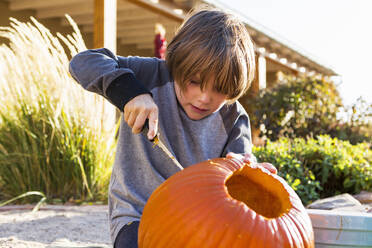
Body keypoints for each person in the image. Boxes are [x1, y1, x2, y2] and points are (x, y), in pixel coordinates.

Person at [69, 5, 277, 248]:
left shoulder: (233, 117)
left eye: (219, 89)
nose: (204, 97)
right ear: (176, 64)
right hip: (137, 216)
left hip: (202, 223)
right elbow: (83, 62)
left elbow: (240, 167)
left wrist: (250, 177)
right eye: (194, 81)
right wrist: (131, 93)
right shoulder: (150, 75)